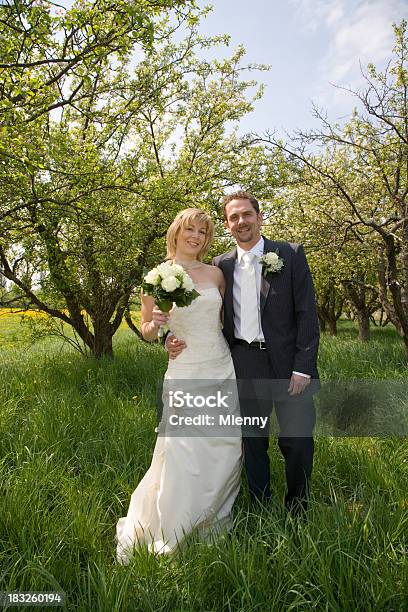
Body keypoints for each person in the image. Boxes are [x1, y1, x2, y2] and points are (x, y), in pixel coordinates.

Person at [167, 192, 320, 514]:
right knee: (252, 442)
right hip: (243, 363)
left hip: (288, 364)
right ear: (227, 225)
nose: (241, 222)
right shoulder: (221, 265)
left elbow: (307, 313)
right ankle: (261, 507)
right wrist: (169, 336)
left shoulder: (289, 254)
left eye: (246, 214)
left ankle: (299, 509)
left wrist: (303, 367)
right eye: (233, 217)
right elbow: (195, 312)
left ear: (259, 217)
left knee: (297, 442)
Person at [116, 208, 242, 563]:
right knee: (184, 448)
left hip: (219, 365)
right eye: (190, 229)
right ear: (176, 231)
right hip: (185, 368)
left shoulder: (217, 274)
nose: (196, 237)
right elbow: (147, 329)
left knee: (225, 445)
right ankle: (175, 526)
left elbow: (221, 321)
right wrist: (160, 330)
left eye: (203, 232)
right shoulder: (156, 277)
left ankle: (213, 519)